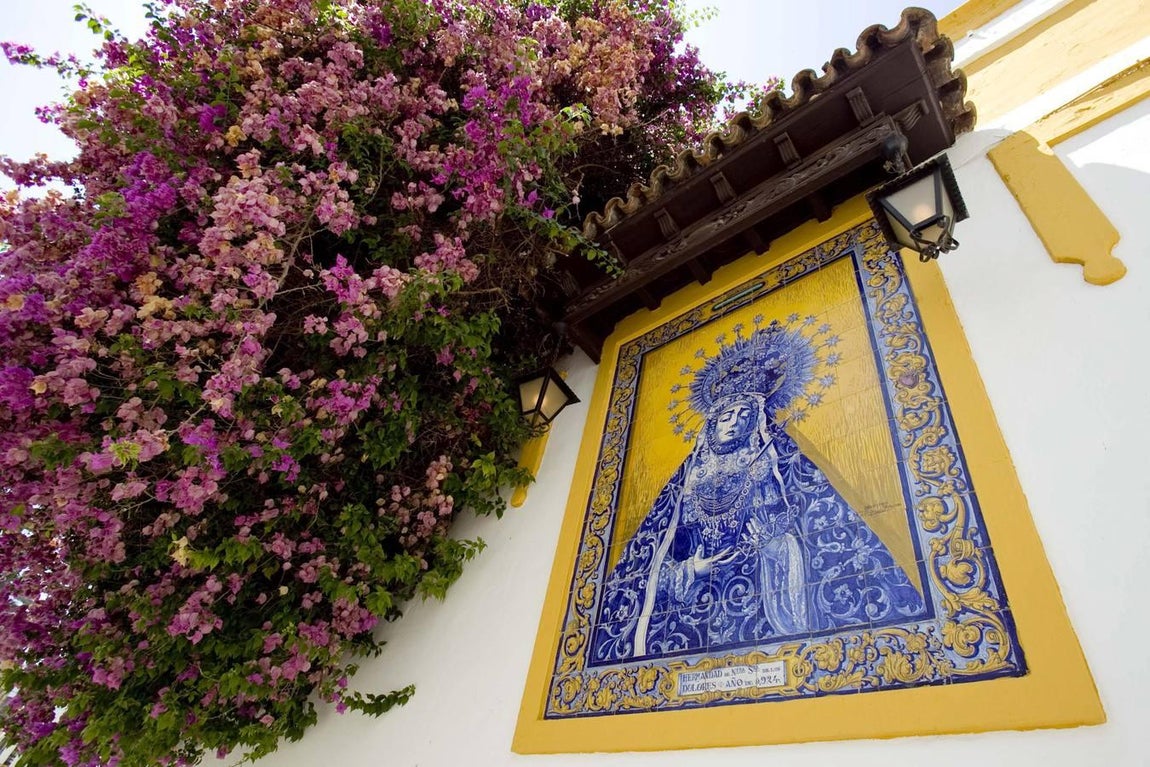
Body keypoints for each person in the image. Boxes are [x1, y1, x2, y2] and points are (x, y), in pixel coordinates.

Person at [590, 322, 925, 664]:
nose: (734, 423)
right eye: (726, 416)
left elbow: (820, 534)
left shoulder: (777, 464)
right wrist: (692, 570)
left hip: (760, 595)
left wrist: (776, 547)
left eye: (744, 415)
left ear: (756, 421)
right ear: (711, 424)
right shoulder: (685, 483)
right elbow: (646, 569)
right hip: (690, 614)